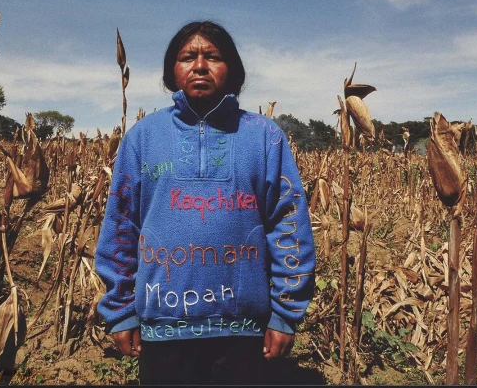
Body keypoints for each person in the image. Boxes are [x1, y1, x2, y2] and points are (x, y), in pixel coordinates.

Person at [95, 21, 316, 385]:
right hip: (163, 328)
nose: (200, 65)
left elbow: (288, 224)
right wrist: (120, 311)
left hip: (244, 332)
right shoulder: (142, 139)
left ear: (232, 71)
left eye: (212, 56)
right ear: (173, 72)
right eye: (188, 57)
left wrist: (286, 313)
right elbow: (121, 226)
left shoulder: (265, 138)